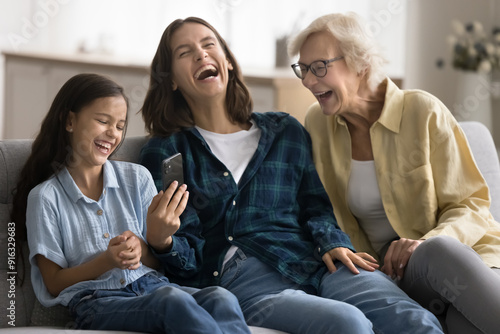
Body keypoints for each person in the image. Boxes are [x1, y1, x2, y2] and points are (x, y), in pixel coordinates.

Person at [139, 16, 443, 334]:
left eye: (208, 44)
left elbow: (316, 206)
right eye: (185, 52)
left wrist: (333, 242)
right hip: (241, 275)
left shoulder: (284, 130)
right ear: (171, 78)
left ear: (227, 61)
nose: (201, 54)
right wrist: (163, 242)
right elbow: (186, 257)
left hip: (313, 259)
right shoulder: (166, 151)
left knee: (416, 321)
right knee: (347, 323)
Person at [287, 12, 500, 334]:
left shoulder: (422, 112)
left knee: (461, 322)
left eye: (319, 67)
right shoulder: (317, 122)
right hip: (396, 277)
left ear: (360, 63)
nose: (307, 81)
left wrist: (424, 243)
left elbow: (471, 204)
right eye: (303, 69)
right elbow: (312, 205)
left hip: (468, 261)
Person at [11, 73, 251, 334]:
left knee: (221, 298)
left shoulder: (137, 178)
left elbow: (155, 263)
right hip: (99, 302)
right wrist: (107, 260)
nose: (112, 134)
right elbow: (54, 283)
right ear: (70, 121)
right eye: (103, 121)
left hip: (153, 286)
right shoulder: (45, 197)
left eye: (119, 125)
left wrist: (142, 249)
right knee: (172, 302)